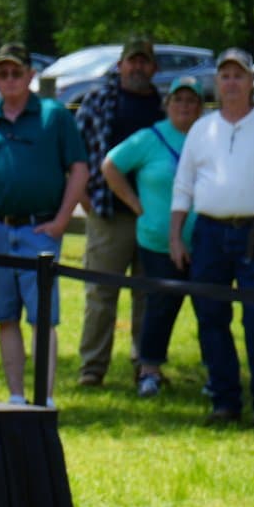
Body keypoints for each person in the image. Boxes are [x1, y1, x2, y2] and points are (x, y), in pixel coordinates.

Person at [169, 48, 254, 426]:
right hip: (208, 233)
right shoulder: (202, 129)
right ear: (217, 82)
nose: (232, 83)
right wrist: (176, 236)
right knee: (210, 316)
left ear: (251, 81)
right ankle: (224, 401)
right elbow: (183, 187)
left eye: (239, 75)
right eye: (225, 76)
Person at [0, 42, 89, 405]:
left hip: (40, 231)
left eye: (16, 72)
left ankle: (43, 398)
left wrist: (62, 220)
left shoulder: (54, 116)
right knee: (5, 317)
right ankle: (16, 396)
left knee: (42, 318)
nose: (10, 79)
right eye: (2, 73)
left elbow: (79, 169)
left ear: (31, 75)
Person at [101, 76, 204, 399]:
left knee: (210, 308)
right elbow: (110, 165)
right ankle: (149, 371)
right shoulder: (150, 138)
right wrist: (136, 205)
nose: (184, 106)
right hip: (157, 241)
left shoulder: (208, 137)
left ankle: (216, 375)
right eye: (178, 99)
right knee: (160, 305)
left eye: (191, 100)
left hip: (205, 241)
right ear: (167, 104)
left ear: (200, 107)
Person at [74, 35, 166, 387]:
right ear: (120, 65)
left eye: (144, 61)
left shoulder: (165, 105)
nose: (137, 67)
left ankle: (145, 366)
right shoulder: (98, 101)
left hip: (154, 217)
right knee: (100, 293)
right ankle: (92, 368)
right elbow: (76, 154)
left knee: (149, 294)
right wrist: (86, 199)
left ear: (154, 67)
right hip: (109, 214)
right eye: (132, 61)